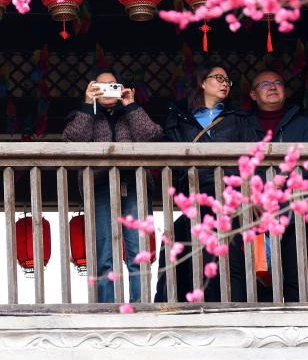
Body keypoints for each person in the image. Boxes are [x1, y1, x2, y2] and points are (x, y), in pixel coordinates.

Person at [154, 63, 255, 303]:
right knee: (179, 242)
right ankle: (178, 305)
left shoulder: (238, 118)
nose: (224, 84)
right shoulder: (179, 119)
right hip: (196, 194)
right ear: (202, 82)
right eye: (218, 78)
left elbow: (253, 155)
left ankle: (229, 306)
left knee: (227, 255)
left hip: (230, 195)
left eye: (228, 81)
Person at [63, 67, 163, 304]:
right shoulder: (84, 114)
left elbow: (152, 136)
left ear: (121, 89)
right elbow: (72, 140)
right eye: (101, 86)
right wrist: (88, 105)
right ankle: (106, 304)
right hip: (99, 185)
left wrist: (131, 105)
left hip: (134, 184)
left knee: (137, 249)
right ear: (93, 89)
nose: (108, 90)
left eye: (113, 85)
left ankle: (140, 303)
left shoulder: (130, 112)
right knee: (104, 248)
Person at [247, 69, 308, 303]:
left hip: (295, 209)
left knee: (297, 276)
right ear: (253, 95)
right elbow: (239, 166)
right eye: (264, 84)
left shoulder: (302, 123)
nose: (272, 87)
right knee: (259, 279)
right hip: (255, 212)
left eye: (278, 82)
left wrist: (283, 191)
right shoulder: (243, 125)